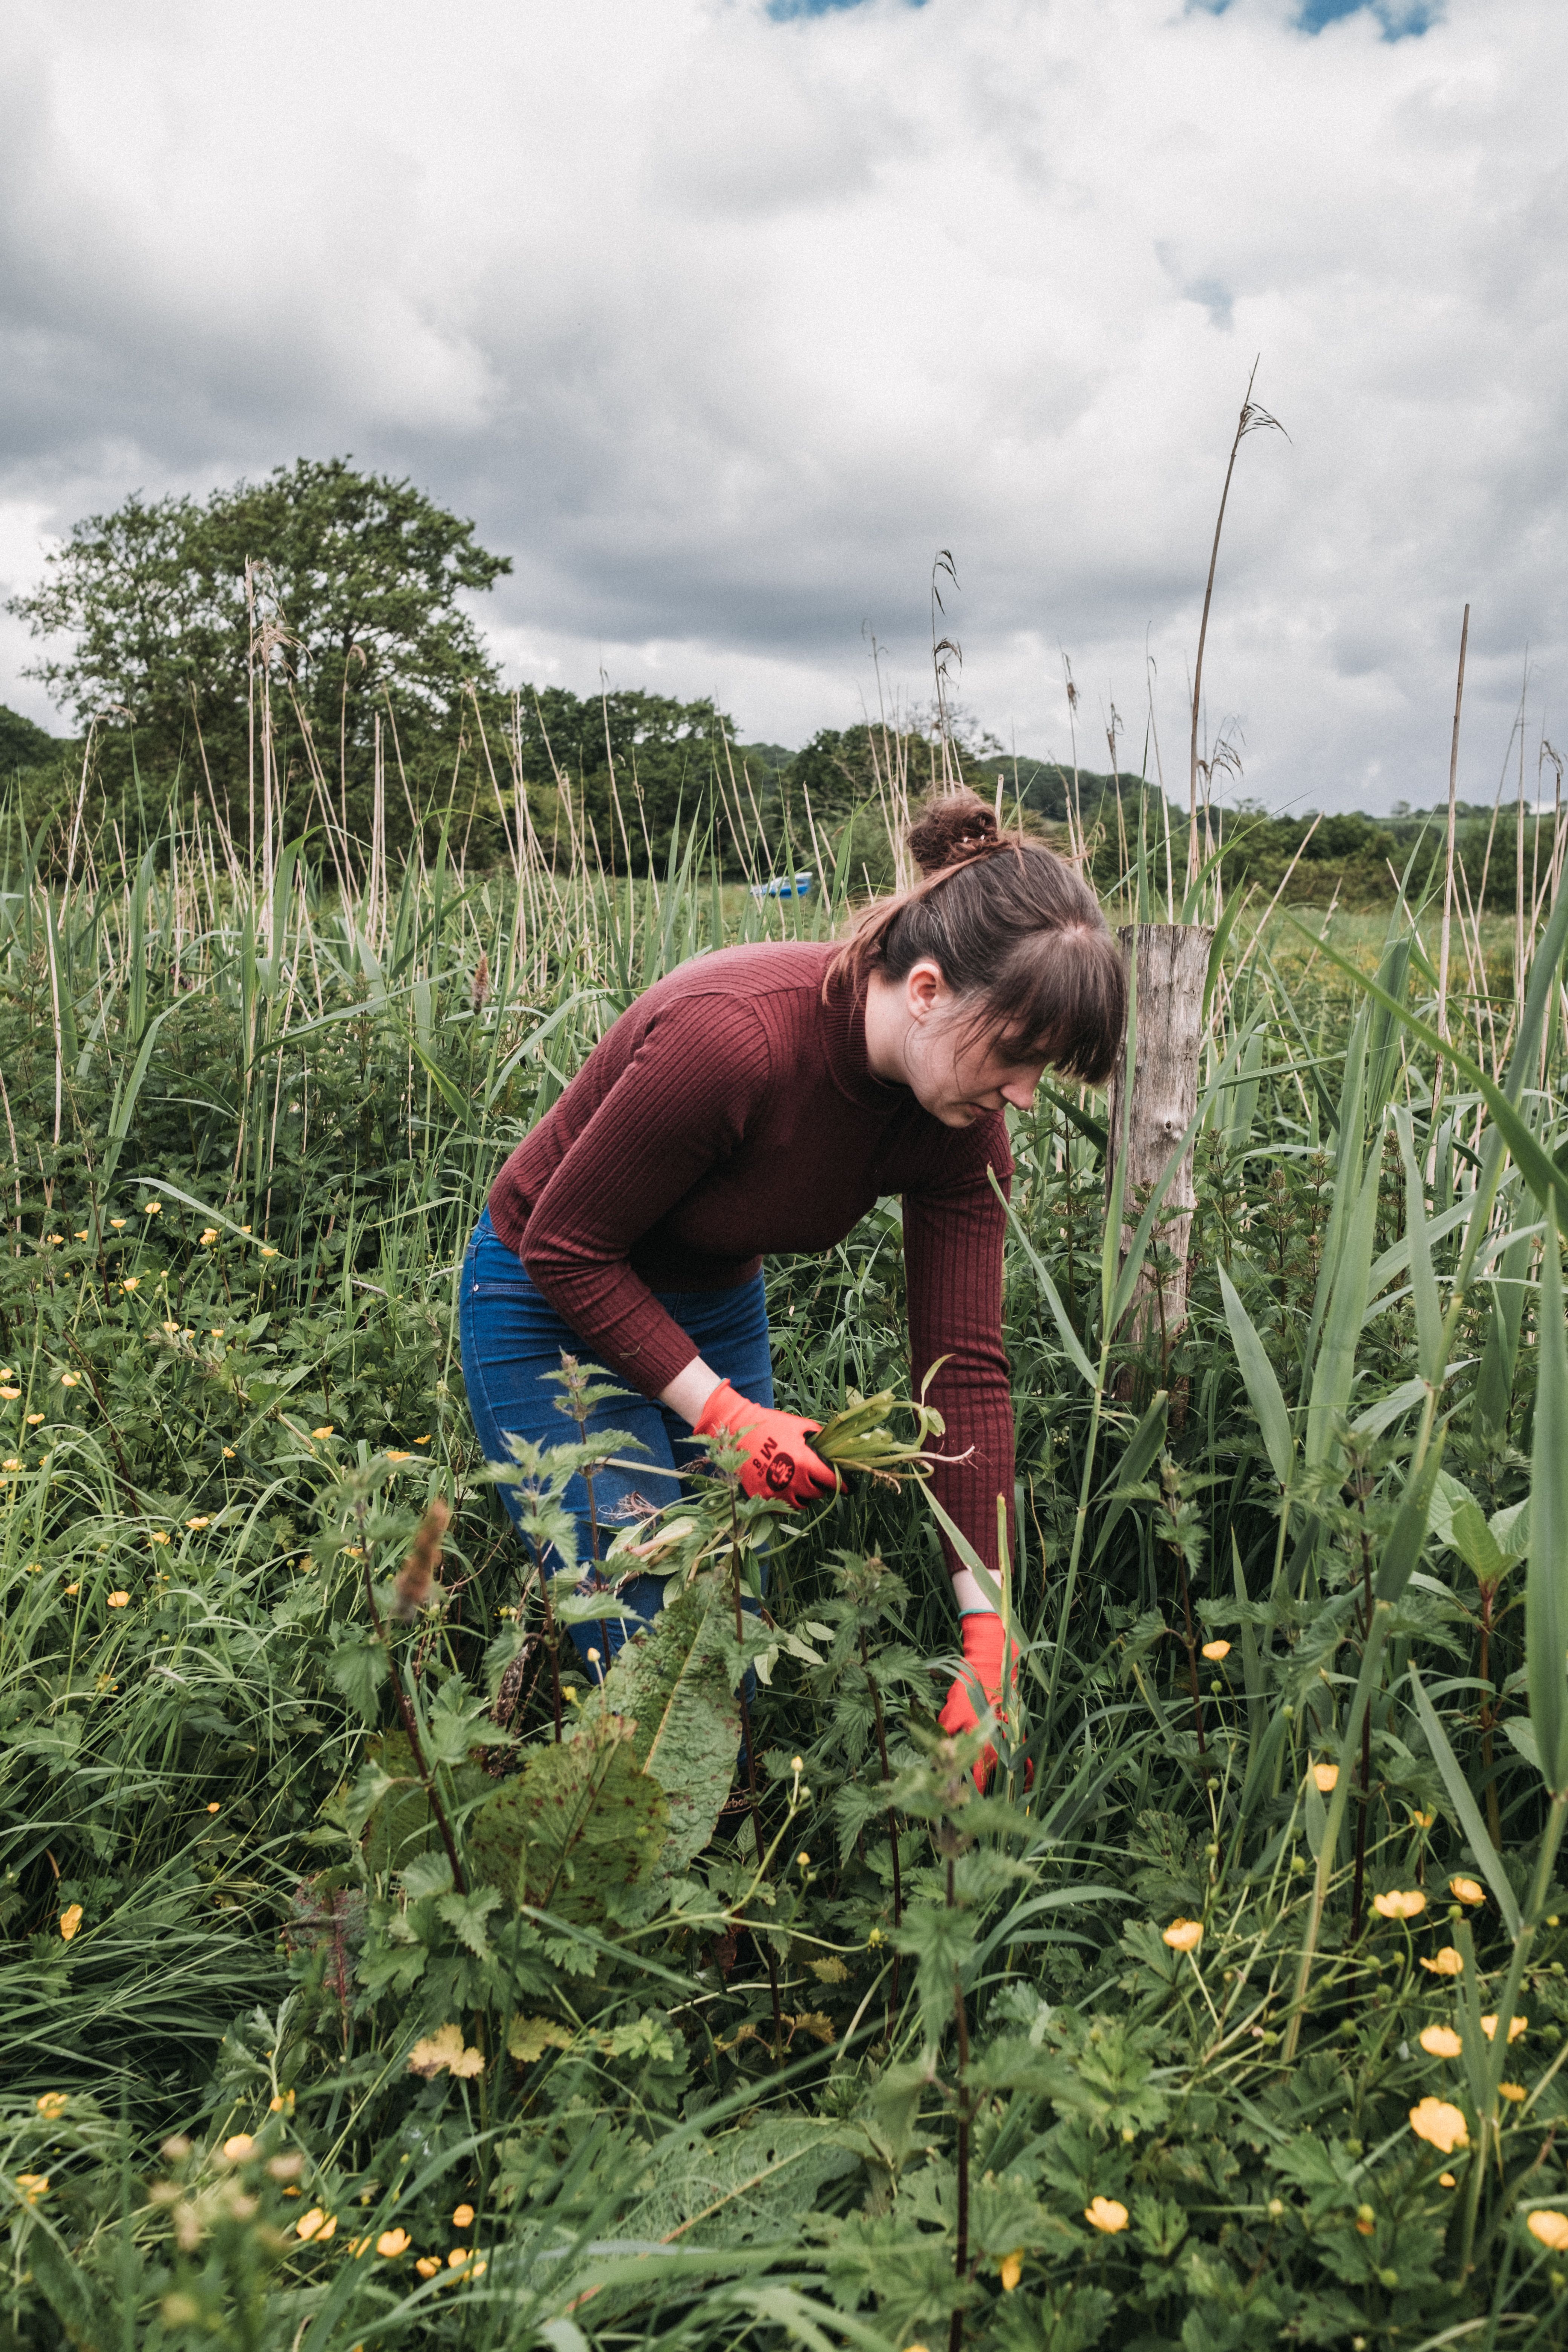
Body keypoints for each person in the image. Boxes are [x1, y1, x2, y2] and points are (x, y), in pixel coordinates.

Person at [459, 787, 1125, 1762]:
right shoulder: (734, 1038)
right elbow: (567, 1245)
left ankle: (707, 1857)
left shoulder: (961, 1134)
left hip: (713, 1301)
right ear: (930, 990)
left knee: (733, 1618)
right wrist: (725, 1416)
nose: (1024, 1095)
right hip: (544, 1296)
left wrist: (990, 1633)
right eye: (1019, 1055)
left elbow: (966, 1376)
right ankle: (601, 1861)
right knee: (643, 1626)